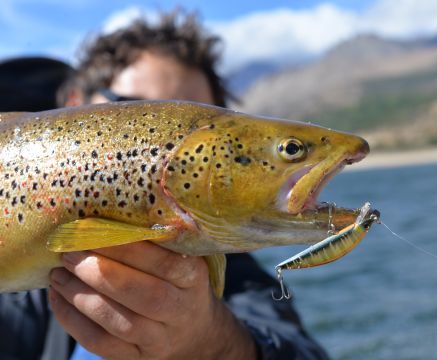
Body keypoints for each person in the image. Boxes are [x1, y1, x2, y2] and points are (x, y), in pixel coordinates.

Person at [0, 12, 329, 360]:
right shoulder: (23, 304)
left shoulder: (237, 280)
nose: (161, 142)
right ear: (72, 106)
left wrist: (215, 345)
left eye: (191, 117)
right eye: (132, 107)